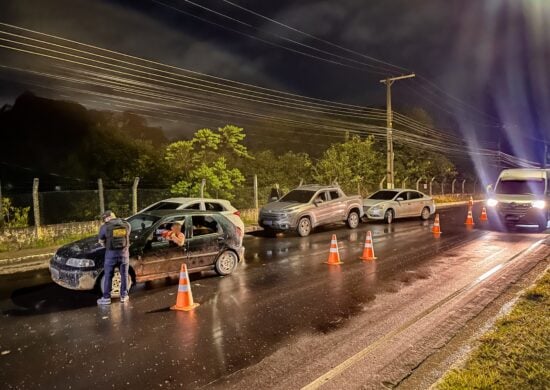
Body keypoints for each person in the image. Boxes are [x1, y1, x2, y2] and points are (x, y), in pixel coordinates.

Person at [97, 210, 132, 305]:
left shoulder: (104, 227)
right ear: (114, 216)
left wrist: (108, 246)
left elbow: (101, 241)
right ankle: (124, 296)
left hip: (110, 256)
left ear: (106, 219)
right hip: (124, 255)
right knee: (124, 275)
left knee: (108, 276)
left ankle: (106, 298)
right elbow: (127, 236)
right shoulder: (126, 224)